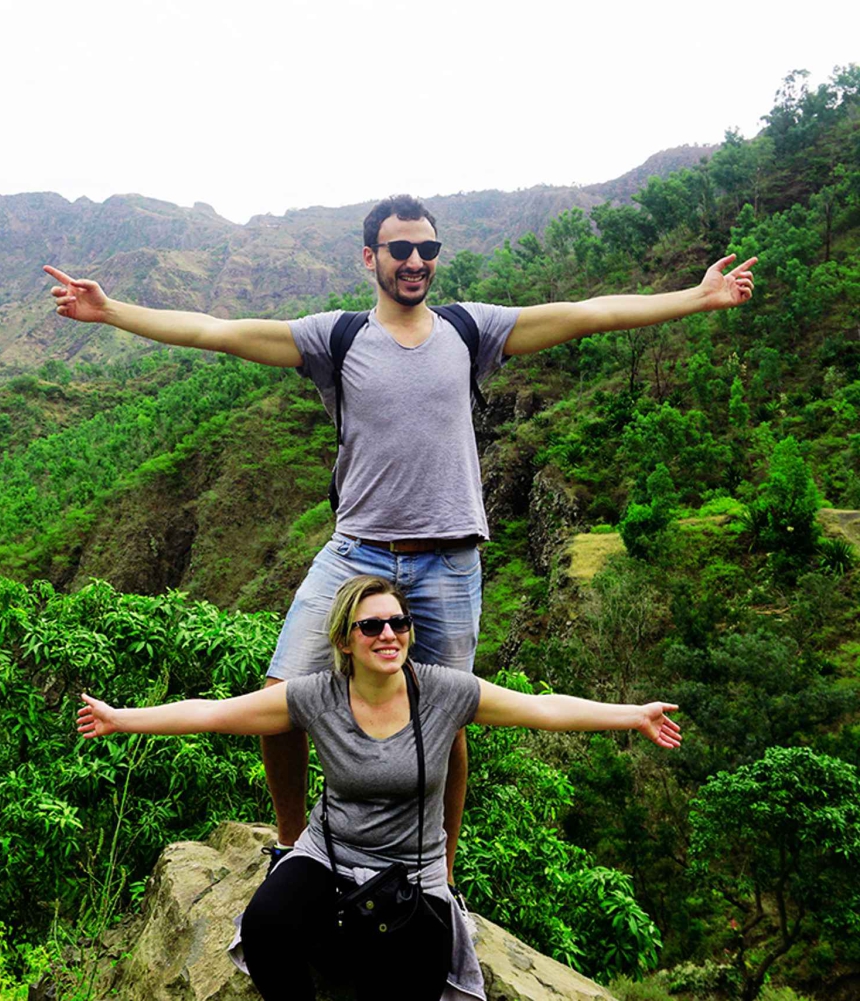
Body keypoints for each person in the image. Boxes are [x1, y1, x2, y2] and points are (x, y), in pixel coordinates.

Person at [46, 194, 754, 879]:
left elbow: (585, 316)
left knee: (448, 715)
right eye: (400, 249)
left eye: (428, 249)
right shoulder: (337, 338)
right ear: (370, 257)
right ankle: (296, 847)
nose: (415, 261)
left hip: (449, 560)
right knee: (281, 693)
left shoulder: (470, 329)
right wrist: (110, 313)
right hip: (356, 553)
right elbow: (216, 329)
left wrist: (693, 297)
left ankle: (439, 876)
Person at [76, 574, 682, 1001]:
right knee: (265, 931)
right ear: (345, 640)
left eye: (398, 622)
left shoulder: (444, 692)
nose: (388, 634)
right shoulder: (316, 695)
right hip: (330, 855)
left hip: (412, 873)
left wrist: (631, 715)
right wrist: (120, 718)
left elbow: (543, 709)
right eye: (372, 626)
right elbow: (214, 713)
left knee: (395, 982)